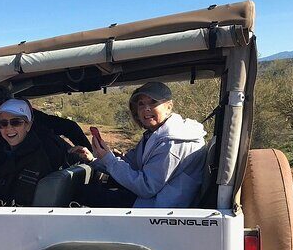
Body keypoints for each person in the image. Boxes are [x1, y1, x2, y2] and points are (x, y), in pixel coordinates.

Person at [72, 82, 207, 208]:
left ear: (169, 107)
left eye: (153, 102)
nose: (146, 108)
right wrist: (93, 159)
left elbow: (146, 188)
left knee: (83, 193)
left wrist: (109, 159)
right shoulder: (155, 135)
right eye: (141, 104)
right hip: (151, 198)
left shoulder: (172, 142)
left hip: (158, 208)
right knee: (92, 189)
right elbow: (131, 164)